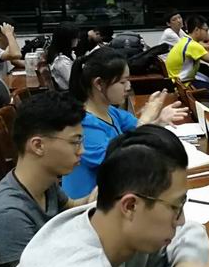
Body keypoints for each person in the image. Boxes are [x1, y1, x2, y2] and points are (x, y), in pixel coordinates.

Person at [0, 125, 209, 267]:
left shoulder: (97, 219)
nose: (181, 219)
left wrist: (187, 266)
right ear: (130, 206)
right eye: (176, 207)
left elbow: (189, 229)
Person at [0, 91, 97, 267]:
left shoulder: (45, 182)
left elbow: (71, 206)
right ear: (38, 145)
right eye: (75, 142)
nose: (81, 151)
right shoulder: (10, 214)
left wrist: (104, 194)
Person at [62, 47, 188, 199]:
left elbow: (137, 132)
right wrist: (146, 119)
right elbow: (121, 161)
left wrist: (159, 121)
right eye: (123, 82)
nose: (128, 87)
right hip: (90, 203)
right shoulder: (83, 124)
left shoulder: (110, 111)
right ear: (99, 84)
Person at [0, 16, 21, 108]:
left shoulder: (0, 50)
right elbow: (16, 54)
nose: (15, 36)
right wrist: (9, 35)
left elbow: (15, 61)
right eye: (13, 33)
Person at [46, 22, 79, 90]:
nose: (78, 39)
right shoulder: (62, 61)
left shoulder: (65, 53)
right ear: (67, 40)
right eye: (75, 37)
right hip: (70, 93)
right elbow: (75, 84)